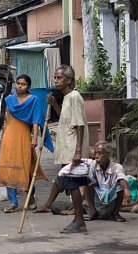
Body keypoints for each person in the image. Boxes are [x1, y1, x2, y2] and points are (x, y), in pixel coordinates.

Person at [0, 75, 54, 213]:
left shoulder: (33, 100)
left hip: (23, 135)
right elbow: (7, 119)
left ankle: (30, 197)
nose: (19, 86)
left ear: (28, 86)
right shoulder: (10, 99)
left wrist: (34, 138)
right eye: (18, 83)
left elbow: (35, 119)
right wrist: (2, 137)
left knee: (26, 167)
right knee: (8, 167)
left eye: (23, 84)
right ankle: (13, 202)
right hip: (10, 135)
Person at [46, 64, 90, 233]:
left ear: (69, 80)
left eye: (60, 78)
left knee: (73, 184)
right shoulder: (66, 98)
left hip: (72, 148)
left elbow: (79, 124)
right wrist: (54, 103)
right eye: (55, 78)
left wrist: (78, 150)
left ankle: (79, 221)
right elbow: (64, 116)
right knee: (71, 184)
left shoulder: (74, 97)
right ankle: (78, 219)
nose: (56, 81)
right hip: (66, 147)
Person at [83, 141, 131, 222]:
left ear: (108, 154)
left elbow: (122, 177)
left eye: (100, 153)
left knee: (120, 184)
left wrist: (126, 189)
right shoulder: (93, 165)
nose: (96, 156)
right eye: (95, 153)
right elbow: (88, 179)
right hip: (97, 201)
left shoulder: (116, 167)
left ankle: (116, 213)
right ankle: (93, 211)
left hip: (110, 203)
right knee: (87, 182)